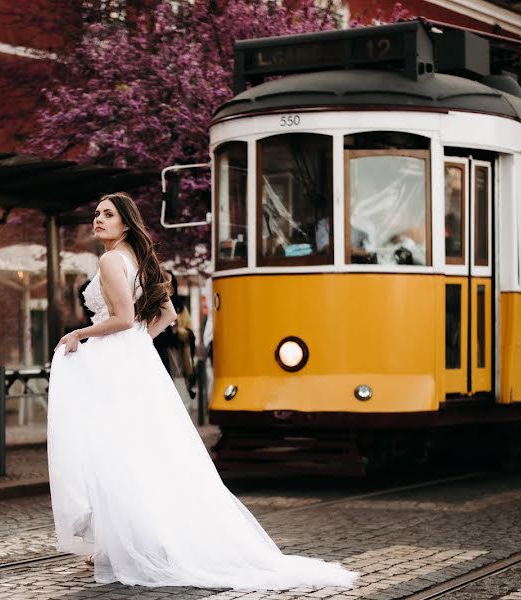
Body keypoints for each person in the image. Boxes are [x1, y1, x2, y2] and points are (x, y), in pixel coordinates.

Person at [47, 192, 358, 589]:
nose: (98, 219)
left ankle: (123, 545)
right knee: (143, 452)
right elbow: (165, 316)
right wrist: (139, 343)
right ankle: (124, 543)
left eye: (108, 214)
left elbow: (124, 319)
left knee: (117, 452)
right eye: (96, 213)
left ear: (126, 223)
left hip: (116, 364)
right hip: (136, 363)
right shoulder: (140, 262)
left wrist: (80, 333)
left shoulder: (110, 260)